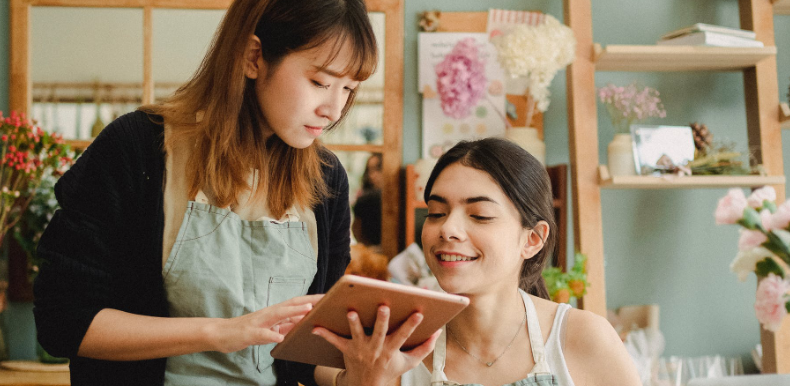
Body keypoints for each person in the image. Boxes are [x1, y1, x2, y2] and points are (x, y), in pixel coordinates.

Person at [32, 0, 393, 384]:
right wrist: (220, 332)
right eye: (320, 82)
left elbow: (305, 353)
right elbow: (63, 321)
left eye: (349, 89)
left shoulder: (327, 179)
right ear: (253, 57)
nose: (334, 110)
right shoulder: (135, 148)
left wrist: (360, 374)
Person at [314, 138, 640, 386]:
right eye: (437, 213)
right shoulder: (388, 347)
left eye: (480, 215)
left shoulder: (582, 339)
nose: (448, 229)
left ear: (533, 239)